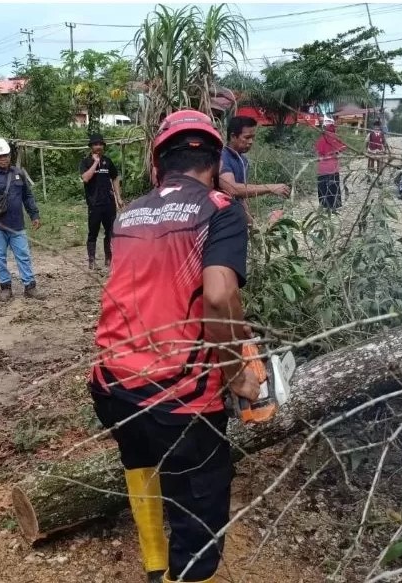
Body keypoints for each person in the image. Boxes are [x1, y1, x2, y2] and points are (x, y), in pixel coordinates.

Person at [89, 109, 260, 583]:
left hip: (111, 382)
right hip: (180, 397)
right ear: (216, 157)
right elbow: (220, 294)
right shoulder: (218, 209)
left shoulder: (131, 213)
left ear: (157, 162)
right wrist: (238, 374)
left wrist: (238, 333)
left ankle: (154, 566)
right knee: (199, 513)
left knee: (141, 460)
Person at [0, 137, 44, 302]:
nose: (4, 158)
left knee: (23, 255)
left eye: (6, 155)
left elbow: (27, 196)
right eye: (0, 156)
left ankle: (30, 287)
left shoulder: (18, 174)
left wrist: (34, 215)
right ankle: (5, 288)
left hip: (17, 226)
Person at [218, 116, 290, 222]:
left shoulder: (243, 161)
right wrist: (270, 188)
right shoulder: (222, 158)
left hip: (235, 218)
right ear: (233, 136)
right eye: (247, 137)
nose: (251, 141)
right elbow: (232, 189)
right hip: (221, 219)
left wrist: (252, 224)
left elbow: (241, 197)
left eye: (252, 137)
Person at [80, 133, 123, 270]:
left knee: (110, 232)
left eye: (100, 144)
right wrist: (96, 163)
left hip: (108, 203)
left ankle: (108, 259)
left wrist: (118, 197)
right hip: (94, 203)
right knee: (93, 232)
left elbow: (115, 177)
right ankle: (91, 261)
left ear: (103, 146)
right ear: (91, 146)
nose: (98, 147)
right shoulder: (85, 162)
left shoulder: (108, 161)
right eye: (95, 144)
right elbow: (86, 178)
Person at [314, 120, 348, 212]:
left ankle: (324, 206)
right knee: (334, 186)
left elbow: (317, 152)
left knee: (323, 187)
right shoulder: (335, 138)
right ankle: (334, 206)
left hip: (322, 168)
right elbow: (342, 148)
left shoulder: (322, 139)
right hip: (333, 167)